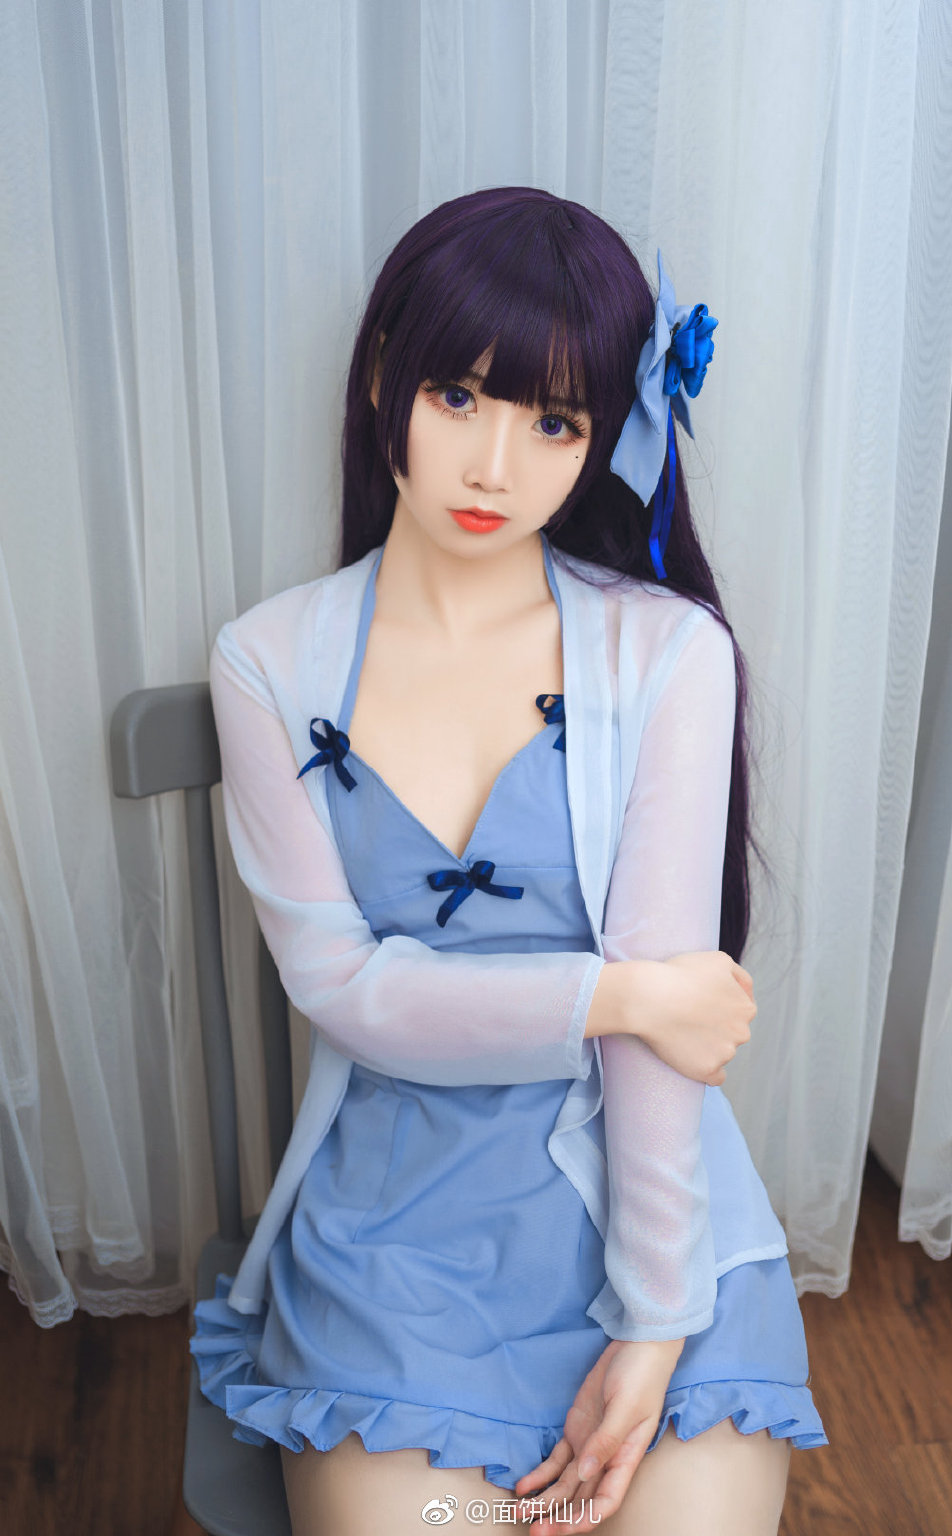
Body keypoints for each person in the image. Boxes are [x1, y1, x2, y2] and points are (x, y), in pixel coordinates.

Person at [190, 186, 828, 1535]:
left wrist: (654, 1321)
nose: (494, 467)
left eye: (555, 423)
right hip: (396, 1235)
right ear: (384, 378)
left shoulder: (667, 652)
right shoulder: (268, 660)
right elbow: (343, 988)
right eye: (458, 397)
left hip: (649, 1207)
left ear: (608, 438)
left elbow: (659, 1054)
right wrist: (622, 994)